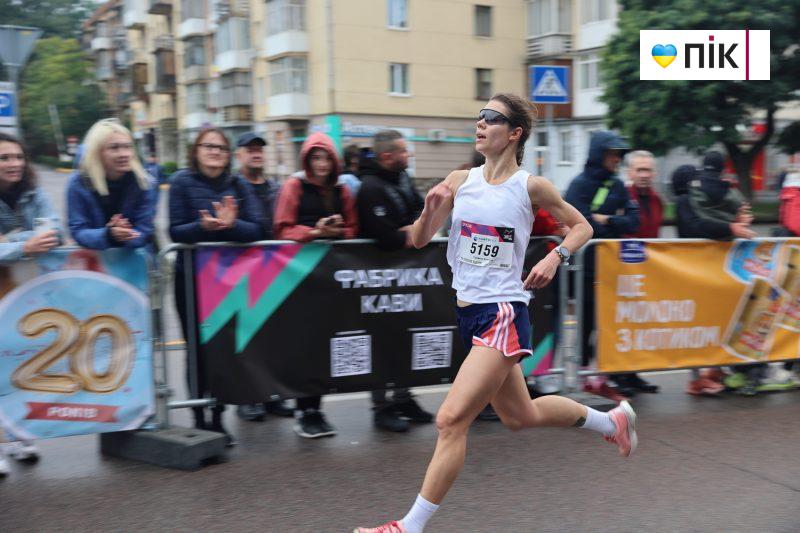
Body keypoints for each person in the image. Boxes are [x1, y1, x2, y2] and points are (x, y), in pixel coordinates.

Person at [356, 94, 637, 533]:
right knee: (519, 416)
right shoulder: (458, 179)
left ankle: (408, 527)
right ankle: (611, 420)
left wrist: (554, 256)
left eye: (492, 117)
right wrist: (430, 211)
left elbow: (583, 226)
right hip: (468, 313)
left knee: (450, 420)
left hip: (503, 313)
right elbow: (417, 238)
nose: (480, 123)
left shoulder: (531, 187)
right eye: (479, 116)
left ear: (514, 133)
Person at [169, 127, 264, 446]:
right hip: (189, 280)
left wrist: (232, 225)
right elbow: (175, 231)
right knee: (195, 351)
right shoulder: (181, 181)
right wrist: (203, 227)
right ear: (195, 150)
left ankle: (218, 419)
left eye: (221, 148)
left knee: (221, 351)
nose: (214, 152)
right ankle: (198, 419)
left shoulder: (237, 184)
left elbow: (259, 228)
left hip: (227, 283)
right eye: (208, 146)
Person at [274, 131, 358, 438]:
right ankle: (303, 410)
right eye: (316, 158)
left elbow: (353, 228)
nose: (321, 164)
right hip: (297, 276)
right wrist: (314, 232)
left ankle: (315, 409)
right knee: (302, 343)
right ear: (307, 160)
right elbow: (282, 228)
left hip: (330, 276)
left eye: (326, 158)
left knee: (324, 343)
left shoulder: (343, 190)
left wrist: (337, 232)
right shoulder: (293, 186)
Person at [357, 130, 434, 432]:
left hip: (409, 277)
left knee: (405, 339)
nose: (409, 155)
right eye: (403, 151)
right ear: (387, 156)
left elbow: (422, 212)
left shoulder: (402, 179)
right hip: (379, 280)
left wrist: (412, 228)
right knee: (380, 342)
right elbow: (385, 236)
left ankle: (403, 398)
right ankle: (382, 407)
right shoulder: (369, 188)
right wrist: (412, 232)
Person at [564, 130, 641, 401]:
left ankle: (601, 377)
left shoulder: (618, 185)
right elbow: (583, 225)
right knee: (585, 323)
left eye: (620, 154)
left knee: (608, 323)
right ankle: (584, 376)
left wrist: (607, 221)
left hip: (610, 268)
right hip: (583, 270)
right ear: (599, 154)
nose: (617, 159)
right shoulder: (579, 185)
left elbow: (633, 221)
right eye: (612, 153)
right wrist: (606, 222)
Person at [0, 133, 62, 470]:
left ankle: (18, 435)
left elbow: (54, 233)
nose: (14, 164)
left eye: (18, 157)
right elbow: (37, 240)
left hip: (24, 291)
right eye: (5, 158)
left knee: (21, 365)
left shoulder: (35, 194)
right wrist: (26, 245)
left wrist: (10, 240)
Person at [233, 131, 294, 421]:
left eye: (259, 149)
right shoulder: (233, 187)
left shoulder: (274, 187)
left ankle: (271, 397)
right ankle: (247, 398)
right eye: (249, 149)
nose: (256, 153)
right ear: (239, 155)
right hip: (241, 271)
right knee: (245, 337)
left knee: (273, 337)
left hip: (272, 270)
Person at [67, 120, 157, 251]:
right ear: (97, 152)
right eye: (114, 147)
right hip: (94, 265)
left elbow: (145, 230)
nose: (124, 154)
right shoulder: (79, 183)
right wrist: (108, 235)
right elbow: (78, 231)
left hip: (135, 263)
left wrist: (124, 235)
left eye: (127, 146)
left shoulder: (144, 182)